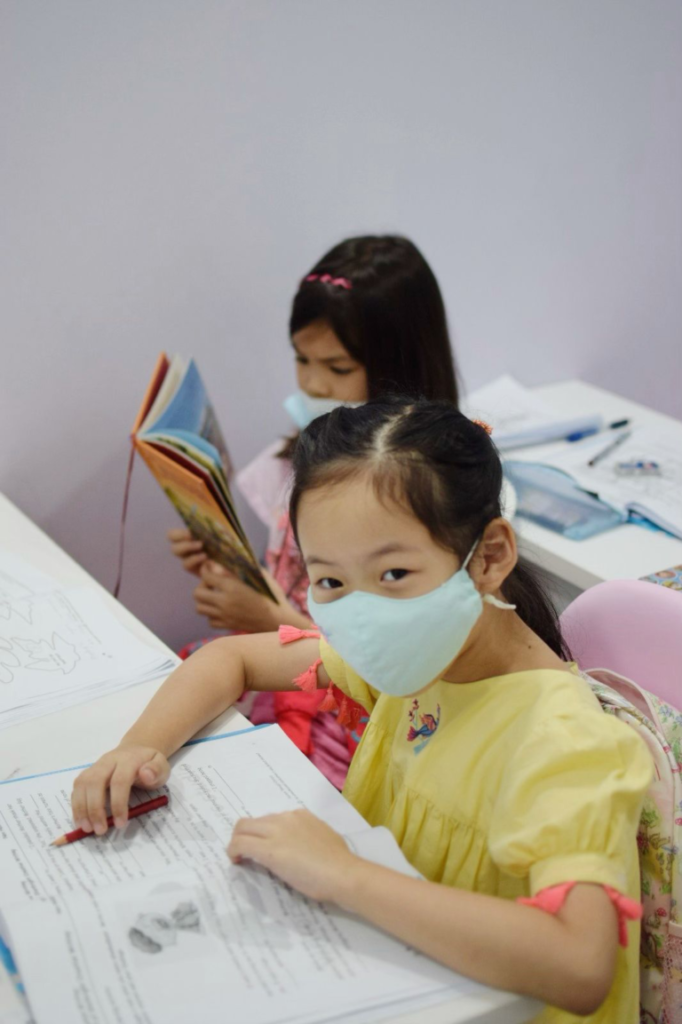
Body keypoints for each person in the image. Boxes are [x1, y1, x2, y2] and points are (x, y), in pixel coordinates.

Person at [73, 399, 651, 1023]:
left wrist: (346, 876)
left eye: (394, 572)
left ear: (487, 558)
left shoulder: (563, 740)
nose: (361, 614)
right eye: (329, 582)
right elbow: (230, 660)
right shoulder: (421, 658)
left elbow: (578, 965)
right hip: (393, 966)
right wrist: (136, 746)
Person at [168, 235, 459, 787]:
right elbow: (294, 574)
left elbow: (404, 675)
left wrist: (270, 619)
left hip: (355, 712)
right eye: (302, 359)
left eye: (337, 365)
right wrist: (224, 555)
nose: (312, 383)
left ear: (401, 367)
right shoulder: (300, 456)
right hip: (275, 668)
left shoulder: (423, 497)